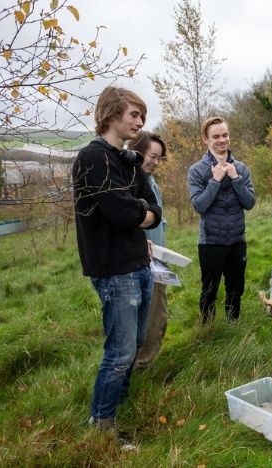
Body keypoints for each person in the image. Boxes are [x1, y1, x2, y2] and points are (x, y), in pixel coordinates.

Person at [72, 86, 161, 429]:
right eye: (134, 115)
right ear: (111, 114)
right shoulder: (93, 158)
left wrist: (142, 211)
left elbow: (151, 207)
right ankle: (102, 423)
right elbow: (124, 214)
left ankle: (121, 404)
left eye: (142, 116)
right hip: (114, 268)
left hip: (139, 263)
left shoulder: (127, 160)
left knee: (135, 343)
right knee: (120, 352)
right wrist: (140, 211)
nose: (140, 123)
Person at [188, 116, 256, 324]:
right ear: (205, 140)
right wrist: (215, 180)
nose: (221, 140)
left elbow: (249, 202)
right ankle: (207, 329)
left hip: (237, 240)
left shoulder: (242, 169)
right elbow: (199, 205)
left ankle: (232, 326)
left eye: (224, 135)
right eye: (216, 136)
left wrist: (235, 179)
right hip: (211, 242)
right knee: (209, 291)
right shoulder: (197, 170)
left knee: (236, 290)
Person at [129, 131, 169, 367]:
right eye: (151, 156)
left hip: (158, 260)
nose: (154, 162)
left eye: (158, 158)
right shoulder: (129, 182)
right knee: (148, 317)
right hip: (139, 263)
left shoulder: (151, 182)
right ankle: (140, 367)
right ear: (138, 151)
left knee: (158, 314)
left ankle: (144, 362)